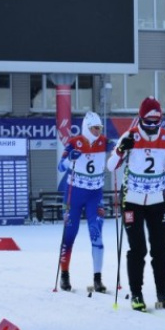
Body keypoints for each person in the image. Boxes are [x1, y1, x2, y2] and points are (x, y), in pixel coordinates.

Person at [106, 97, 165, 312]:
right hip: (132, 199)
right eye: (147, 123)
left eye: (155, 122)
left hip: (157, 200)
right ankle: (137, 293)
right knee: (138, 247)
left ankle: (162, 291)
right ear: (140, 119)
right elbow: (111, 166)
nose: (152, 127)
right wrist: (121, 150)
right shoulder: (130, 135)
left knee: (161, 247)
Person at [57, 111, 108, 292]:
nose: (98, 131)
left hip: (95, 194)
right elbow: (60, 166)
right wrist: (70, 159)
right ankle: (64, 275)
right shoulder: (74, 142)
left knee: (97, 234)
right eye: (95, 128)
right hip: (74, 193)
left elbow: (118, 153)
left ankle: (97, 278)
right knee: (70, 234)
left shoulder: (104, 141)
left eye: (100, 128)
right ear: (87, 128)